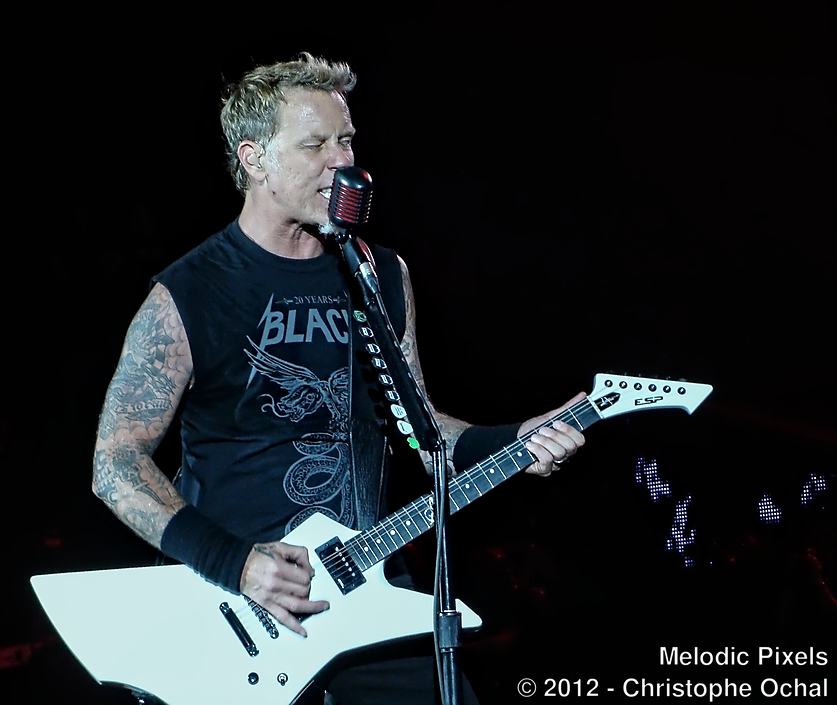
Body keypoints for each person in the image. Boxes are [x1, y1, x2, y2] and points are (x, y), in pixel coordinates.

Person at [92, 52, 586, 704]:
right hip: (236, 607)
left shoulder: (379, 275)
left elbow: (420, 428)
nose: (342, 161)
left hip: (365, 587)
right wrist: (235, 563)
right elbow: (115, 464)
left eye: (346, 139)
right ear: (255, 159)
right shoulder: (189, 292)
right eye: (315, 144)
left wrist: (516, 440)